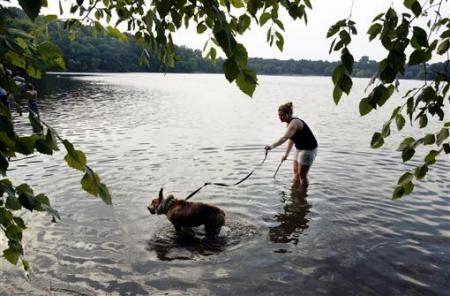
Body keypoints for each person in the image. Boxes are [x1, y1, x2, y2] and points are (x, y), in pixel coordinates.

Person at [265, 102, 318, 192]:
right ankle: (295, 193)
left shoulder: (294, 123)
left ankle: (302, 195)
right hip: (299, 148)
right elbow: (291, 139)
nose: (279, 117)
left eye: (281, 115)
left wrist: (271, 146)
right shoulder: (289, 123)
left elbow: (285, 138)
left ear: (288, 114)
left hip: (308, 149)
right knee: (295, 172)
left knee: (302, 175)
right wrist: (286, 154)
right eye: (279, 115)